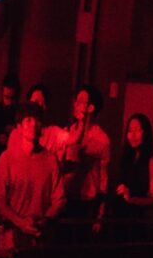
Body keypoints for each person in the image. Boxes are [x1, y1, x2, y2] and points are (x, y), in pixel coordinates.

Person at [43, 85, 111, 232]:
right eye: (76, 100)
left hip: (88, 201)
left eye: (80, 101)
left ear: (91, 108)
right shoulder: (67, 132)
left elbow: (104, 177)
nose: (76, 104)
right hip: (66, 197)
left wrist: (100, 213)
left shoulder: (102, 139)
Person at [0, 110, 61, 246]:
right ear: (19, 127)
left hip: (41, 233)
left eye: (37, 120)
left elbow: (59, 198)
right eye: (28, 120)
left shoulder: (51, 160)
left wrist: (46, 219)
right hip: (12, 234)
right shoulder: (7, 158)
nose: (33, 124)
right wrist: (20, 222)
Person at [107, 111, 153, 230]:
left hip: (136, 218)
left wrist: (131, 198)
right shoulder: (125, 158)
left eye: (137, 130)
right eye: (130, 131)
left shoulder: (150, 160)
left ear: (145, 133)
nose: (133, 135)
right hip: (119, 215)